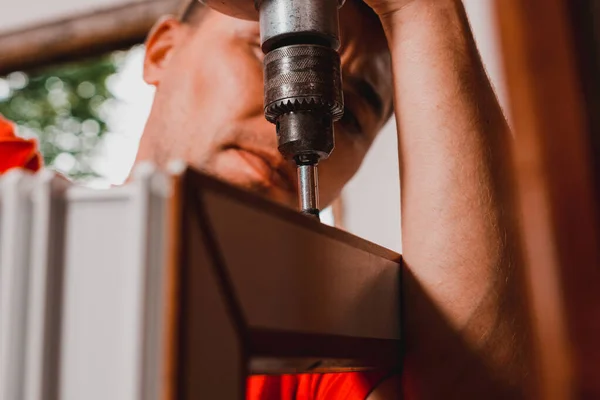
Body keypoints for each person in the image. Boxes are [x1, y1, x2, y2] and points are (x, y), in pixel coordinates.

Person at [0, 0, 529, 398]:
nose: (314, 113)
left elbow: (484, 384)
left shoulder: (320, 365)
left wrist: (420, 10)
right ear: (162, 52)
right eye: (265, 51)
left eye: (357, 113)